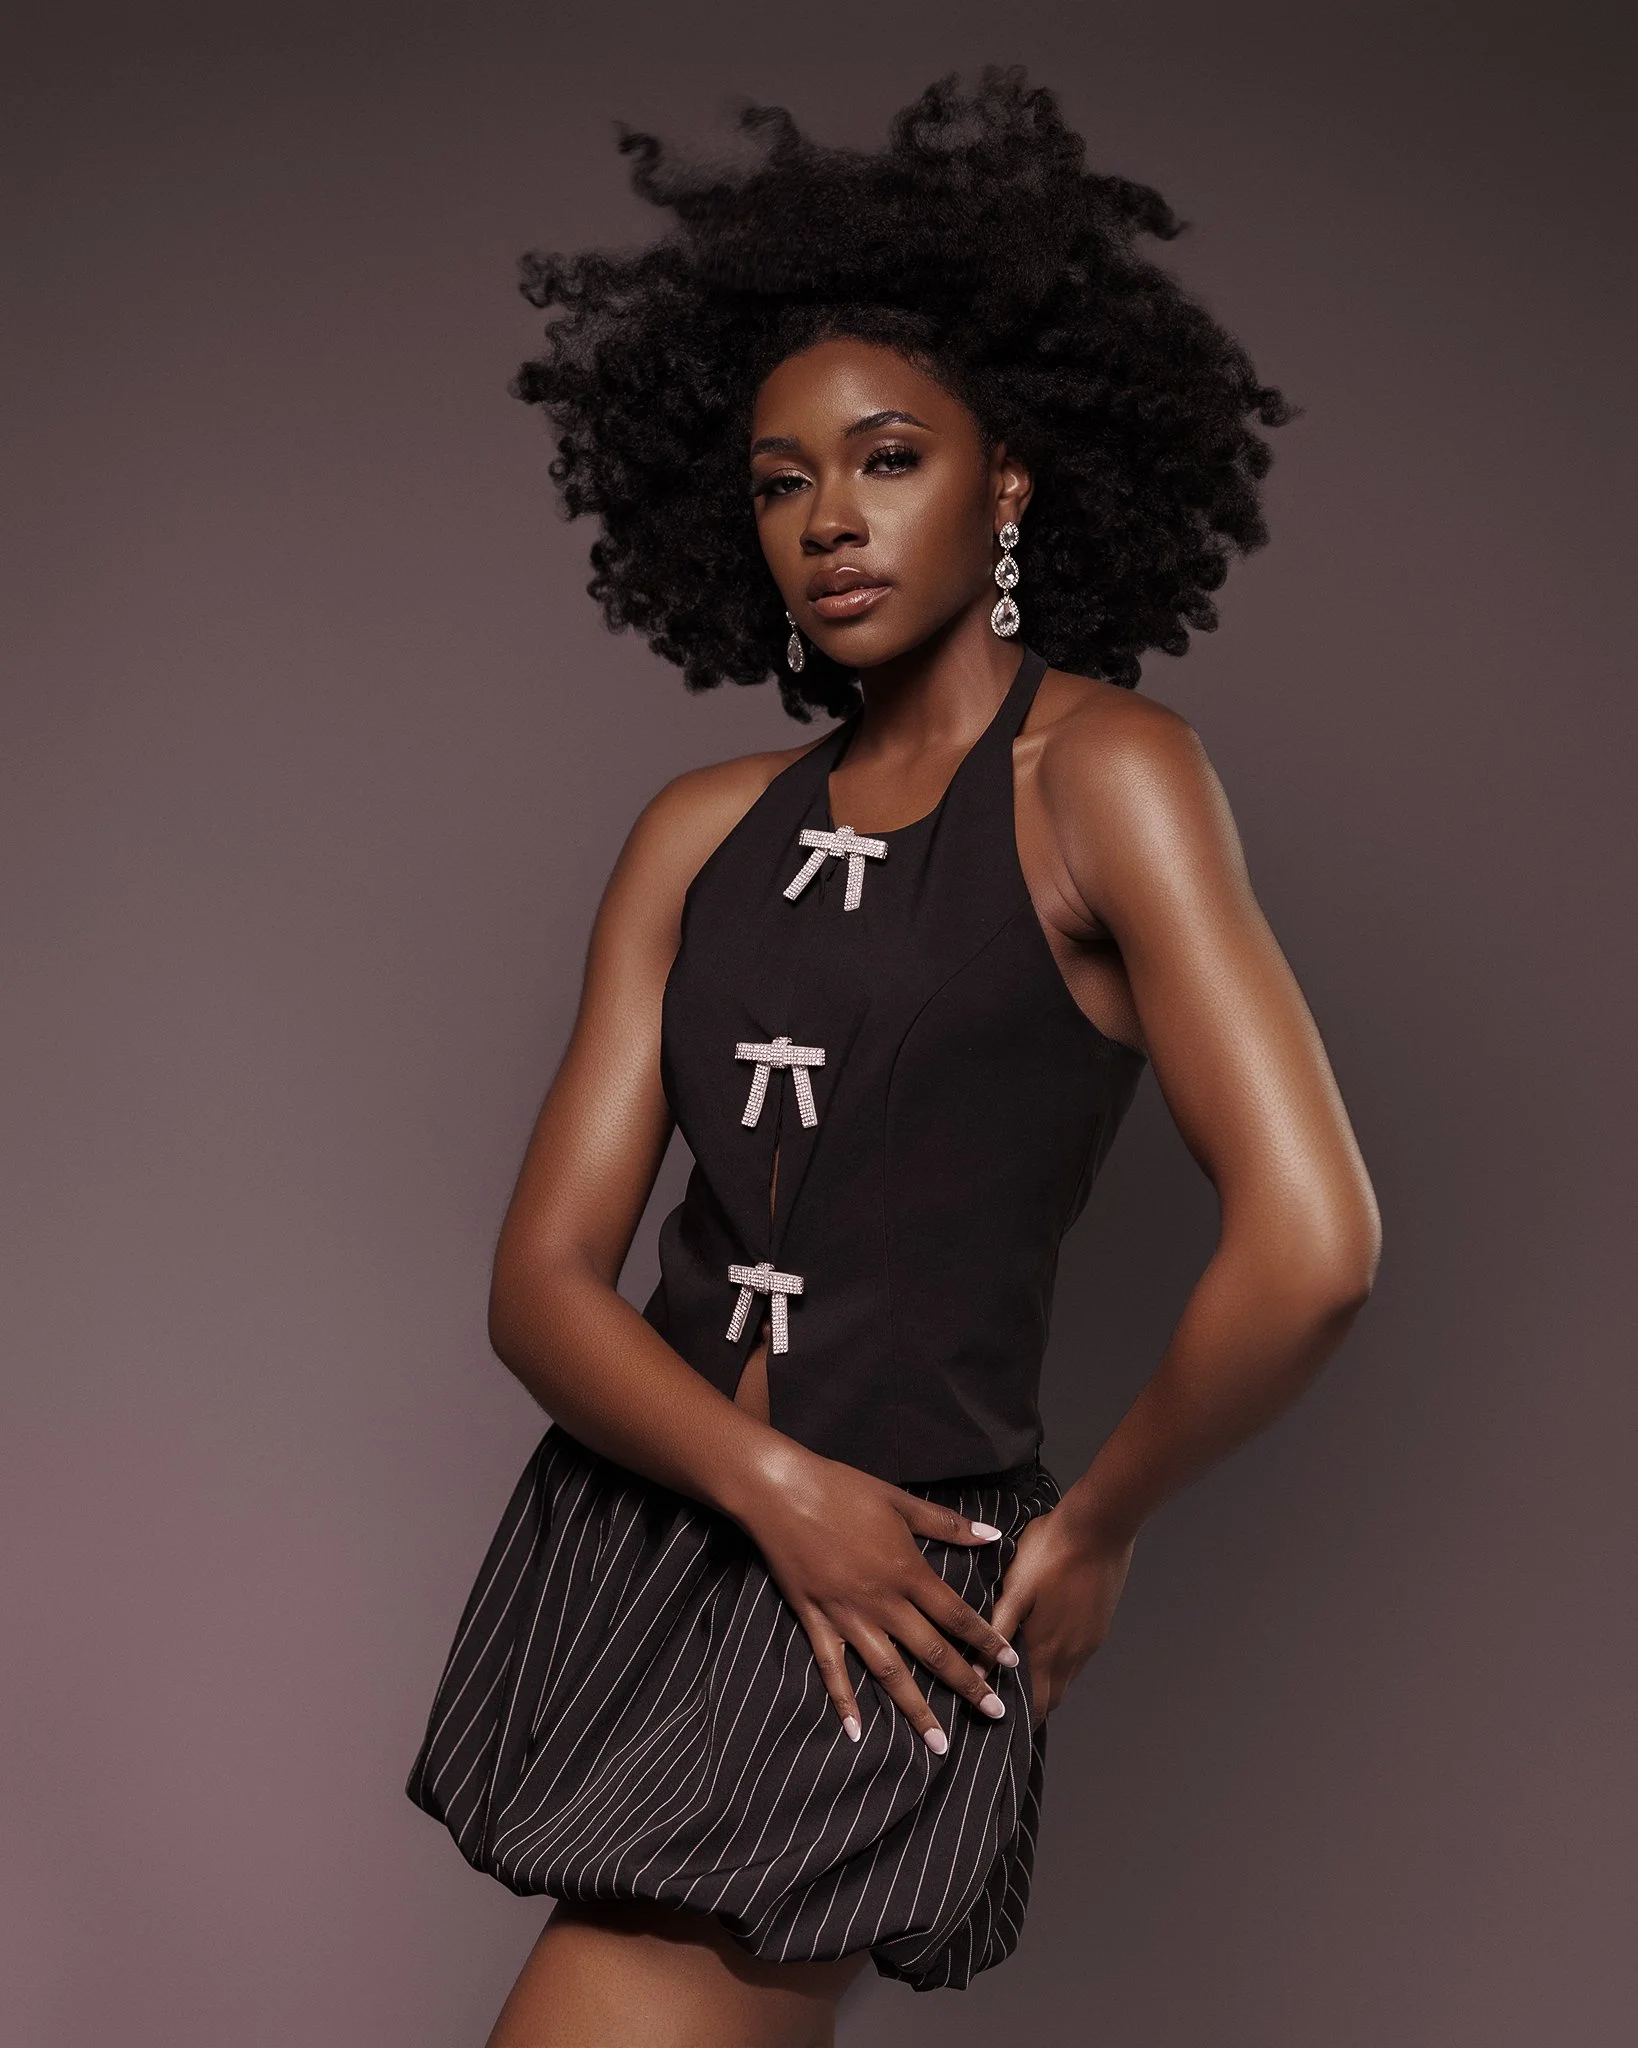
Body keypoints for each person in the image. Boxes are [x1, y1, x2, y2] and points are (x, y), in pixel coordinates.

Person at [405, 67, 1381, 2048]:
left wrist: (1096, 1518)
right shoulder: (694, 828)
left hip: (884, 1592)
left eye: (887, 459)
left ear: (1005, 479)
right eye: (782, 480)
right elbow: (537, 1279)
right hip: (654, 1523)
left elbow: (1315, 1240)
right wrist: (769, 1481)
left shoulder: (1112, 779)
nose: (830, 521)